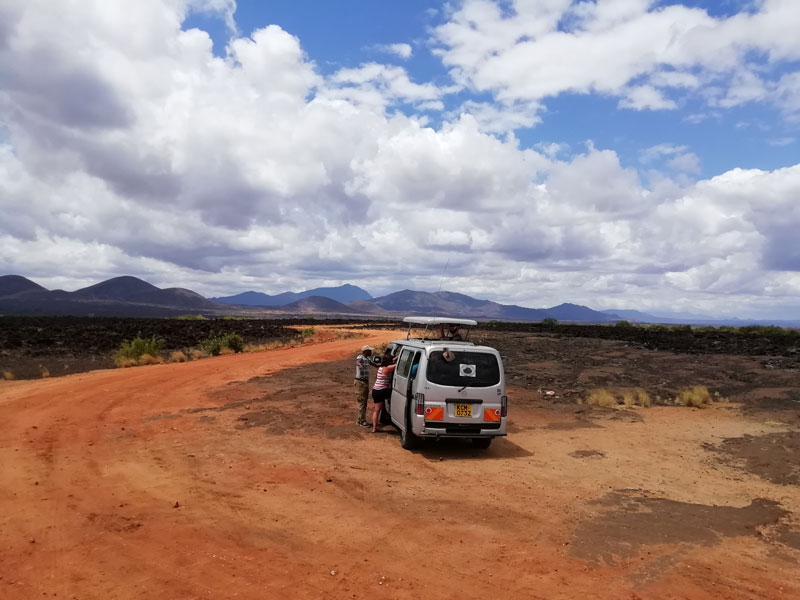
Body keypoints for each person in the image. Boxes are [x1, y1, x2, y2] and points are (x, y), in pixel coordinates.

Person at [371, 353, 397, 433]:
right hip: (381, 390)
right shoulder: (388, 368)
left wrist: (396, 357)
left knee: (377, 410)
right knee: (377, 410)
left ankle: (375, 427)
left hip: (376, 390)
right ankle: (374, 428)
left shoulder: (381, 367)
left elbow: (393, 361)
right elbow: (398, 364)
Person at [354, 345, 375, 428]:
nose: (371, 352)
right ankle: (360, 421)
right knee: (361, 402)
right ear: (365, 351)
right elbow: (357, 361)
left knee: (364, 402)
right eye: (369, 350)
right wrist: (359, 365)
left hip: (365, 382)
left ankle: (361, 420)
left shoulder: (367, 359)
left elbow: (376, 365)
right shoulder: (360, 357)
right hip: (360, 382)